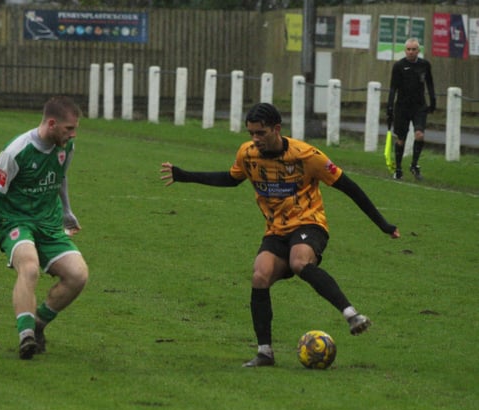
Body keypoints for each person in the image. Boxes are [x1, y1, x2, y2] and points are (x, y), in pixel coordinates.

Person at [160, 102, 400, 368]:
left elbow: (350, 187)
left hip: (310, 225)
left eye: (260, 133)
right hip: (276, 230)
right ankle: (265, 352)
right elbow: (230, 178)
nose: (255, 139)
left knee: (299, 262)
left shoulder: (307, 156)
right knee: (259, 275)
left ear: (276, 129)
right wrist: (184, 176)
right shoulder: (247, 154)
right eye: (251, 133)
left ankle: (352, 315)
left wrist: (383, 224)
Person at [0, 96, 88, 360]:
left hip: (49, 224)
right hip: (16, 223)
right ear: (51, 123)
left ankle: (38, 324)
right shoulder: (15, 151)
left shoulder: (66, 147)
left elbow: (60, 178)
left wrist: (67, 212)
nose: (73, 134)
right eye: (69, 128)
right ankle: (25, 336)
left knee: (78, 276)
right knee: (29, 267)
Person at [386, 37, 436, 180]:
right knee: (401, 139)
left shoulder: (425, 65)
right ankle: (399, 168)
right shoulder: (399, 66)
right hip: (402, 107)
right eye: (408, 49)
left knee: (419, 135)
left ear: (418, 50)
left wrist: (433, 101)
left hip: (419, 106)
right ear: (405, 50)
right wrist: (389, 107)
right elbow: (393, 88)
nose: (411, 52)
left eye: (414, 49)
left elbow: (430, 84)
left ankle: (414, 165)